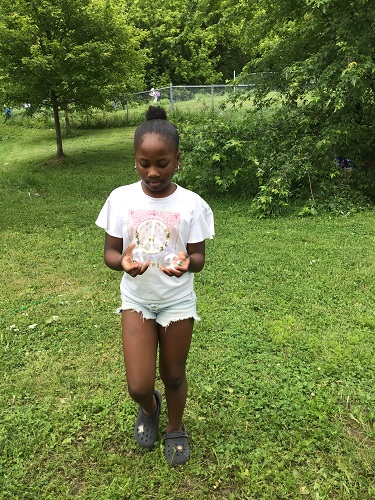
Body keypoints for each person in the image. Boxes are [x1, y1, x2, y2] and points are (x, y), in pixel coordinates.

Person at [96, 106, 214, 466]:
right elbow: (110, 254)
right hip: (138, 300)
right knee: (139, 386)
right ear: (134, 161)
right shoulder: (120, 199)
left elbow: (198, 258)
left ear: (177, 160)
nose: (152, 172)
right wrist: (123, 263)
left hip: (177, 301)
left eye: (162, 163)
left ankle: (175, 427)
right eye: (144, 163)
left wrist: (186, 264)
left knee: (174, 374)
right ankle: (150, 407)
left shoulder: (192, 204)